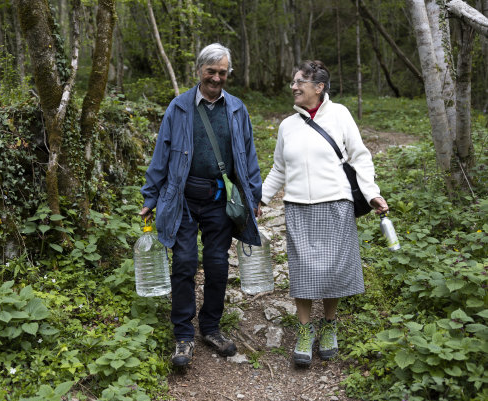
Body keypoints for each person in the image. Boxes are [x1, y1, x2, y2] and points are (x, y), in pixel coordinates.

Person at [139, 43, 263, 367]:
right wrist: (150, 196)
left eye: (222, 72)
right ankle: (183, 334)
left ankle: (210, 327)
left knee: (218, 265)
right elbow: (161, 154)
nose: (217, 78)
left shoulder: (237, 109)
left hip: (220, 201)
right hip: (182, 199)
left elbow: (247, 157)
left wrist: (254, 196)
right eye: (211, 71)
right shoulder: (179, 108)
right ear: (199, 71)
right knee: (183, 262)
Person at [259, 60, 389, 367]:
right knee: (303, 271)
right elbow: (279, 168)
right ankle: (306, 330)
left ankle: (329, 324)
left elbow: (360, 157)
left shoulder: (340, 114)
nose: (293, 87)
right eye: (293, 82)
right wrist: (261, 199)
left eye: (299, 82)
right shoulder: (287, 125)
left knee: (333, 270)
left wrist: (371, 193)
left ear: (319, 88)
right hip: (297, 206)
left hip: (335, 203)